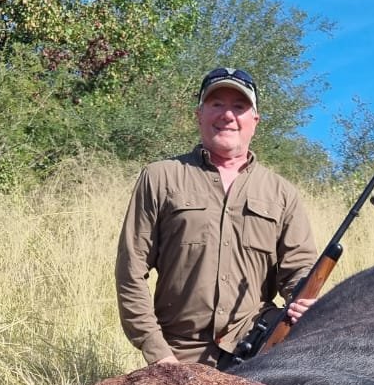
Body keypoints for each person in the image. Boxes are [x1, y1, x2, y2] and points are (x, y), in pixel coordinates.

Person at [116, 66, 318, 366]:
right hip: (179, 355)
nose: (227, 115)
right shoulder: (160, 177)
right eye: (217, 104)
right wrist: (158, 353)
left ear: (255, 121)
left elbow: (299, 272)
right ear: (199, 114)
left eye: (239, 107)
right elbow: (130, 271)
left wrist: (304, 304)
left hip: (259, 350)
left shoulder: (282, 193)